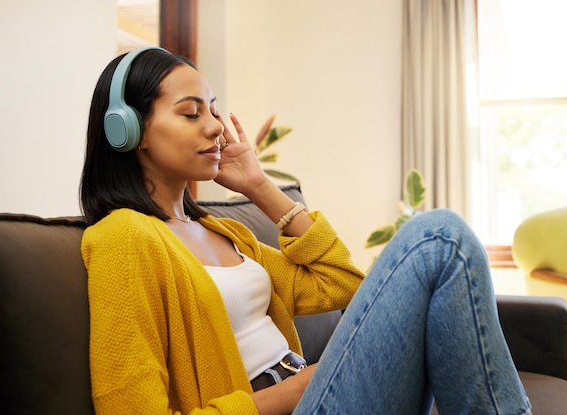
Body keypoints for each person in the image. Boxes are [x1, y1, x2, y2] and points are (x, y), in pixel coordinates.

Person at [80, 46, 531, 415]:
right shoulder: (123, 238)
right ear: (130, 131)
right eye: (191, 113)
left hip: (310, 394)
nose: (216, 127)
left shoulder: (224, 231)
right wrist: (287, 395)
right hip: (290, 403)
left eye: (214, 112)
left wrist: (259, 187)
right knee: (438, 238)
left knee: (441, 241)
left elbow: (344, 285)